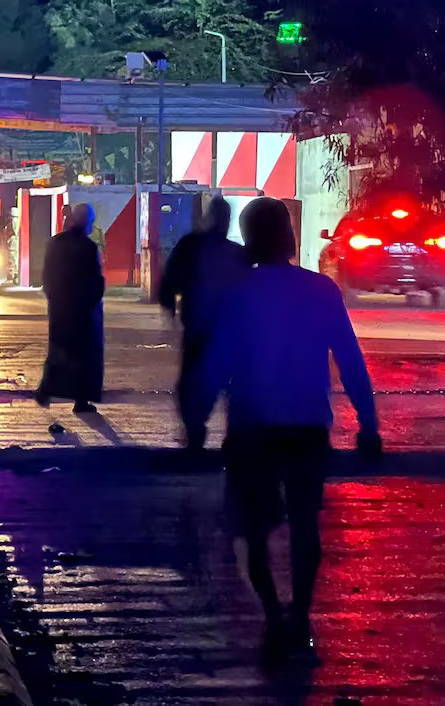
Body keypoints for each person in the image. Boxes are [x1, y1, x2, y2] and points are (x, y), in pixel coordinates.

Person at [192, 197, 381, 661]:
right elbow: (351, 361)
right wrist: (368, 423)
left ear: (249, 238)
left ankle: (274, 614)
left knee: (253, 530)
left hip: (253, 427)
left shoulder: (238, 293)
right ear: (289, 235)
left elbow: (216, 364)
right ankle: (301, 613)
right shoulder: (322, 291)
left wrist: (195, 419)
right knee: (304, 526)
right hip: (306, 425)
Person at [160, 196, 250, 450]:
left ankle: (195, 430)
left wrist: (170, 307)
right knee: (231, 385)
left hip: (200, 328)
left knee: (193, 384)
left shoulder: (191, 246)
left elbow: (170, 280)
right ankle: (230, 436)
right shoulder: (237, 253)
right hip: (228, 332)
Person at [36, 203, 106, 414]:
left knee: (58, 351)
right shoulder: (88, 247)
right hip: (82, 311)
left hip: (59, 308)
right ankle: (81, 400)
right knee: (85, 357)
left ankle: (46, 390)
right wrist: (93, 302)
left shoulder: (55, 243)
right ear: (87, 223)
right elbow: (95, 281)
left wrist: (53, 298)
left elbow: (46, 276)